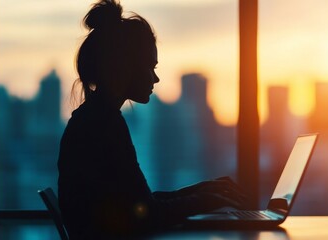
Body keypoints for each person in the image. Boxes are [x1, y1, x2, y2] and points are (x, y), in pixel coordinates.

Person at [57, 0, 248, 238]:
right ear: (124, 67)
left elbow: (137, 203)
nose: (155, 79)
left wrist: (201, 191)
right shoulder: (103, 125)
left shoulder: (93, 119)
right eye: (150, 67)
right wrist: (206, 199)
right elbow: (147, 213)